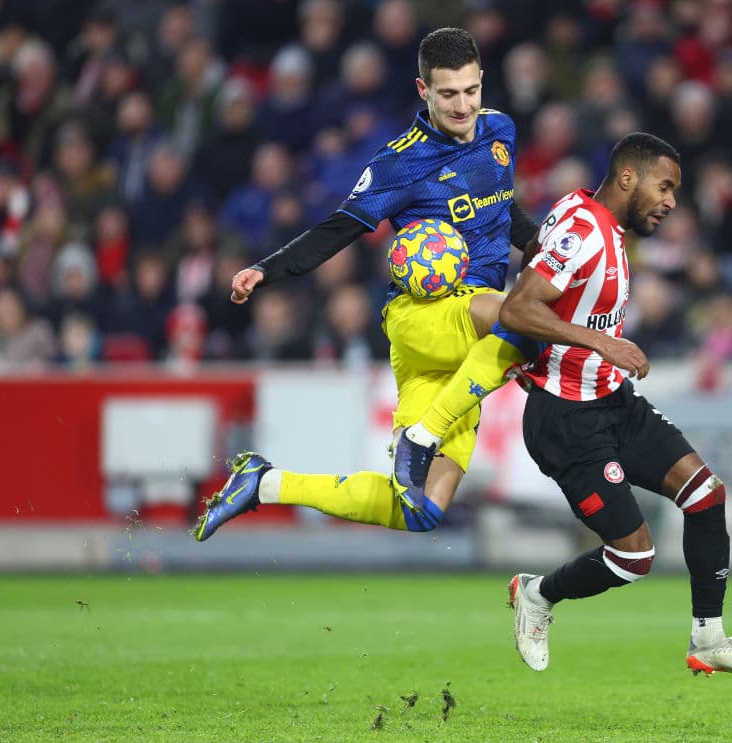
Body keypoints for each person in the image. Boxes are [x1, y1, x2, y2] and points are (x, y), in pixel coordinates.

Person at [193, 27, 538, 540]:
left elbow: (505, 213)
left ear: (482, 81)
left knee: (421, 510)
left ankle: (262, 483)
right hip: (426, 317)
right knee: (520, 318)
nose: (463, 105)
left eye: (471, 90)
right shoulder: (399, 163)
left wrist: (545, 251)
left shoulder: (500, 131)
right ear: (423, 90)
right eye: (448, 94)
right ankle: (420, 437)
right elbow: (339, 228)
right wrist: (266, 269)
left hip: (466, 347)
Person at [499, 132, 732, 682]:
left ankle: (709, 640)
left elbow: (539, 257)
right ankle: (537, 593)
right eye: (665, 186)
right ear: (628, 177)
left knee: (706, 495)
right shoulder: (585, 231)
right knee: (634, 557)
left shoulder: (595, 221)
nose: (671, 201)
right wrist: (601, 343)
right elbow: (517, 308)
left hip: (613, 400)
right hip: (566, 419)